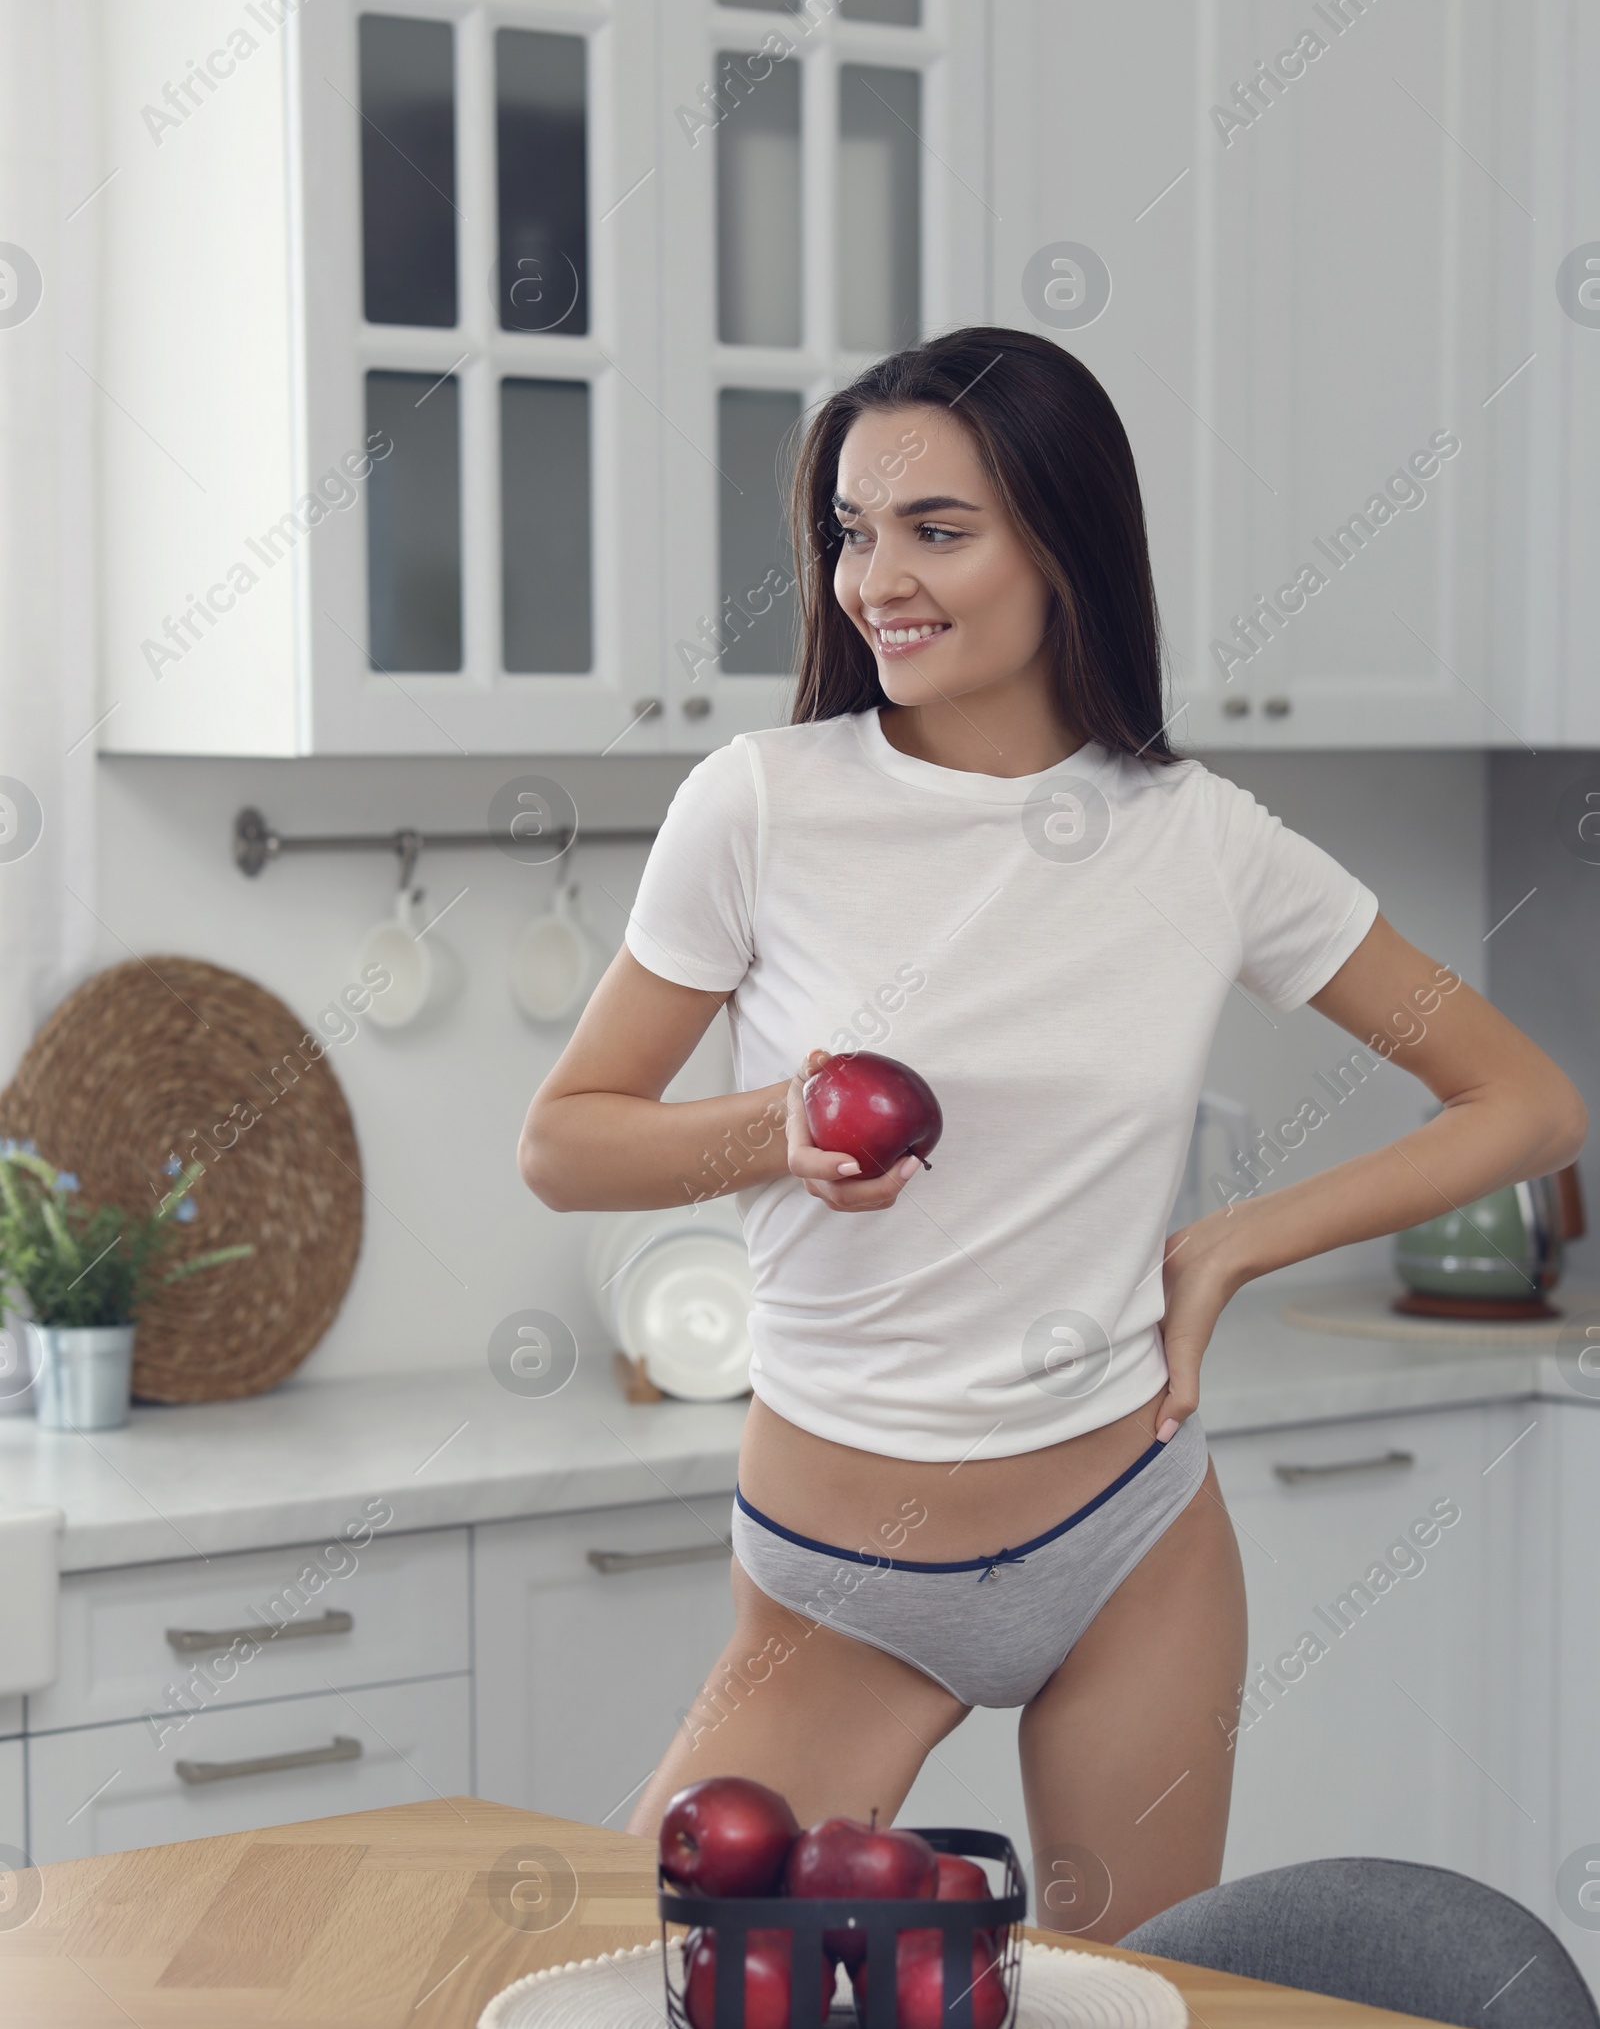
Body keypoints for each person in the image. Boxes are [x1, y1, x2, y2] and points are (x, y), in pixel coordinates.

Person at [519, 325, 1585, 1940]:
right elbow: (568, 1143)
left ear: (1064, 547)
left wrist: (1228, 1244)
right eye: (852, 532)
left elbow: (1527, 1102)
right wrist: (778, 1131)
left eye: (936, 530)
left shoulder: (1206, 842)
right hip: (838, 1573)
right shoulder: (761, 803)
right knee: (691, 2003)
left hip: (1128, 1543)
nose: (879, 577)